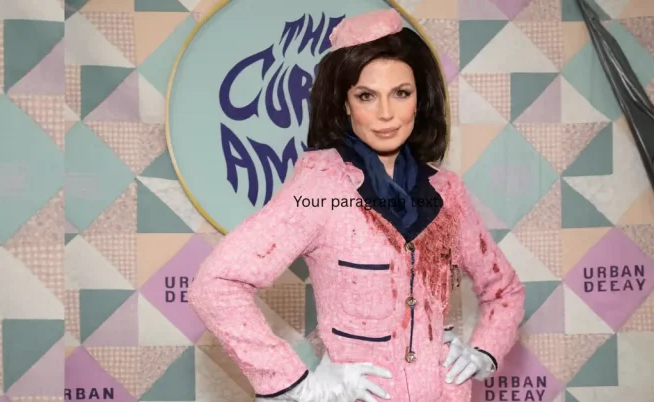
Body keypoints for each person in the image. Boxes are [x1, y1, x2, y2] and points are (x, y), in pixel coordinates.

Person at [187, 8, 525, 402]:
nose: (386, 113)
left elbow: (505, 290)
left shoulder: (447, 191)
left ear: (420, 98)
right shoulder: (321, 184)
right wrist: (297, 384)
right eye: (366, 96)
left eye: (401, 93)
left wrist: (484, 352)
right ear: (345, 103)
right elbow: (216, 285)